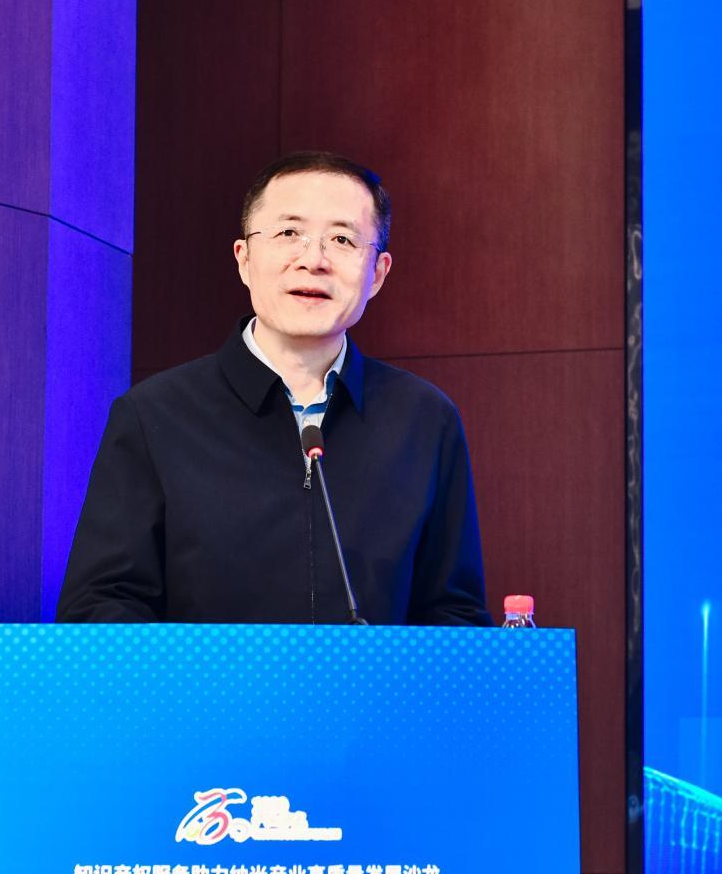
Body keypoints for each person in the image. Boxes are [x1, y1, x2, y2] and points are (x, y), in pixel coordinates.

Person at [56, 151, 491, 625]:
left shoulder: (424, 420)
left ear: (378, 273)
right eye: (288, 234)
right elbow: (99, 609)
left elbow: (455, 615)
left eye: (342, 239)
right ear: (244, 259)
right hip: (206, 679)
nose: (313, 261)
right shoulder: (155, 415)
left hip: (372, 679)